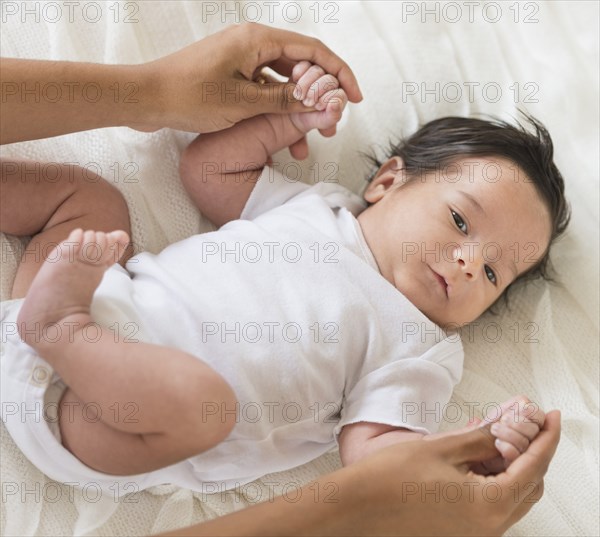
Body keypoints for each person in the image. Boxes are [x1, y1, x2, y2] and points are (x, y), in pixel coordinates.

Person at [0, 22, 561, 536]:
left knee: (204, 406)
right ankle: (56, 323)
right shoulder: (317, 207)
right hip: (95, 302)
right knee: (87, 197)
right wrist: (290, 119)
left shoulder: (420, 347)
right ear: (389, 182)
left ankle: (60, 327)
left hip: (107, 423)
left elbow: (377, 459)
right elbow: (208, 170)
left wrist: (478, 443)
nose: (468, 263)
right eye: (460, 221)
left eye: (492, 272)